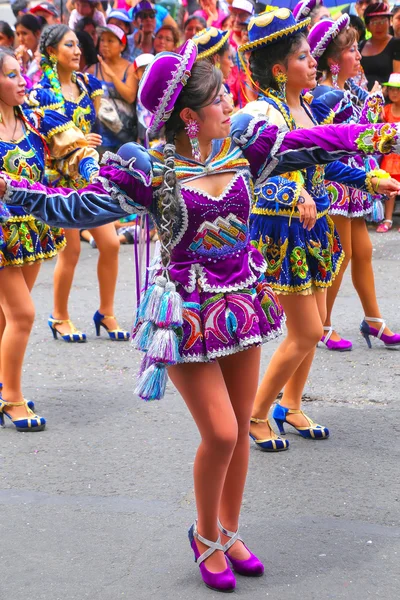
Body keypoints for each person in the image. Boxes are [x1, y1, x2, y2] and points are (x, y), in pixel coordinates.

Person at [3, 39, 400, 589]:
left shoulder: (246, 151)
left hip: (244, 302)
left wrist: (371, 137)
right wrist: (12, 191)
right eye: (219, 100)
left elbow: (309, 144)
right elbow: (75, 207)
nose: (230, 107)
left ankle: (230, 531)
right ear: (190, 117)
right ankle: (205, 533)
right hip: (185, 315)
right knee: (219, 432)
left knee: (239, 431)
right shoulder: (152, 173)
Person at [236, 8, 400, 451]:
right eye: (304, 57)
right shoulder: (261, 116)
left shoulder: (305, 108)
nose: (314, 63)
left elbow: (323, 165)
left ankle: (290, 406)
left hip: (316, 227)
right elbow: (254, 181)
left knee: (316, 322)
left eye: (312, 56)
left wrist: (368, 179)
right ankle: (255, 413)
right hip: (282, 233)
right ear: (278, 69)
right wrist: (293, 196)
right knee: (306, 330)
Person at [0, 47, 99, 432]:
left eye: (20, 73)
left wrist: (93, 171)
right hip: (2, 235)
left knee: (7, 316)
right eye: (10, 75)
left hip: (34, 231)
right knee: (23, 315)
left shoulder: (37, 121)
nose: (22, 80)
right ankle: (12, 399)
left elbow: (73, 148)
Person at [33, 24, 130, 343]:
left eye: (77, 45)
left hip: (88, 177)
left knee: (111, 244)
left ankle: (106, 312)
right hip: (57, 180)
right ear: (51, 53)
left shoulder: (88, 84)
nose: (77, 51)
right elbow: (44, 138)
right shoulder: (42, 94)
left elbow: (119, 108)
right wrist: (76, 142)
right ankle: (59, 316)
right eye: (68, 45)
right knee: (71, 249)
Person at [309, 17, 400, 349]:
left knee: (362, 251)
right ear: (333, 61)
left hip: (354, 184)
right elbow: (343, 140)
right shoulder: (325, 95)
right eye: (351, 50)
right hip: (336, 184)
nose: (359, 55)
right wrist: (371, 110)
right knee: (341, 254)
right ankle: (323, 324)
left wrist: (372, 108)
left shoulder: (347, 89)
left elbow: (369, 129)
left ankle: (373, 319)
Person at [90, 24, 138, 152]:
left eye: (110, 41)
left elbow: (130, 96)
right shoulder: (92, 70)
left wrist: (111, 75)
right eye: (102, 40)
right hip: (100, 138)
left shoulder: (130, 69)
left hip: (124, 137)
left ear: (122, 46)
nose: (105, 44)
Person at [376, 73, 400, 233]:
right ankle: (388, 219)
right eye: (391, 90)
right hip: (389, 156)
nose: (394, 93)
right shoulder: (385, 110)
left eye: (397, 90)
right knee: (390, 187)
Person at [360, 2, 400, 90]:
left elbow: (397, 76)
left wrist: (382, 93)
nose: (379, 26)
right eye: (374, 22)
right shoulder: (361, 45)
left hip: (388, 95)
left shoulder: (396, 44)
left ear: (390, 22)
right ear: (367, 26)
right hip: (363, 95)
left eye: (383, 21)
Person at [15, 14, 44, 87]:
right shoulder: (27, 56)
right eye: (18, 34)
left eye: (24, 33)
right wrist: (24, 63)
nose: (20, 39)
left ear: (37, 33)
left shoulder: (43, 58)